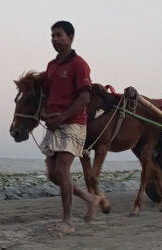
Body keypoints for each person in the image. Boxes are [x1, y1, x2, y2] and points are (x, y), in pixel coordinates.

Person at [39, 21, 100, 234]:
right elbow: (46, 94)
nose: (55, 39)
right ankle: (89, 198)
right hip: (53, 125)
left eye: (59, 35)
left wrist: (63, 116)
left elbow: (84, 98)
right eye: (52, 35)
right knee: (52, 174)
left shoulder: (79, 64)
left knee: (62, 169)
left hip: (73, 123)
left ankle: (67, 222)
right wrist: (45, 114)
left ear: (71, 37)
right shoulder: (51, 66)